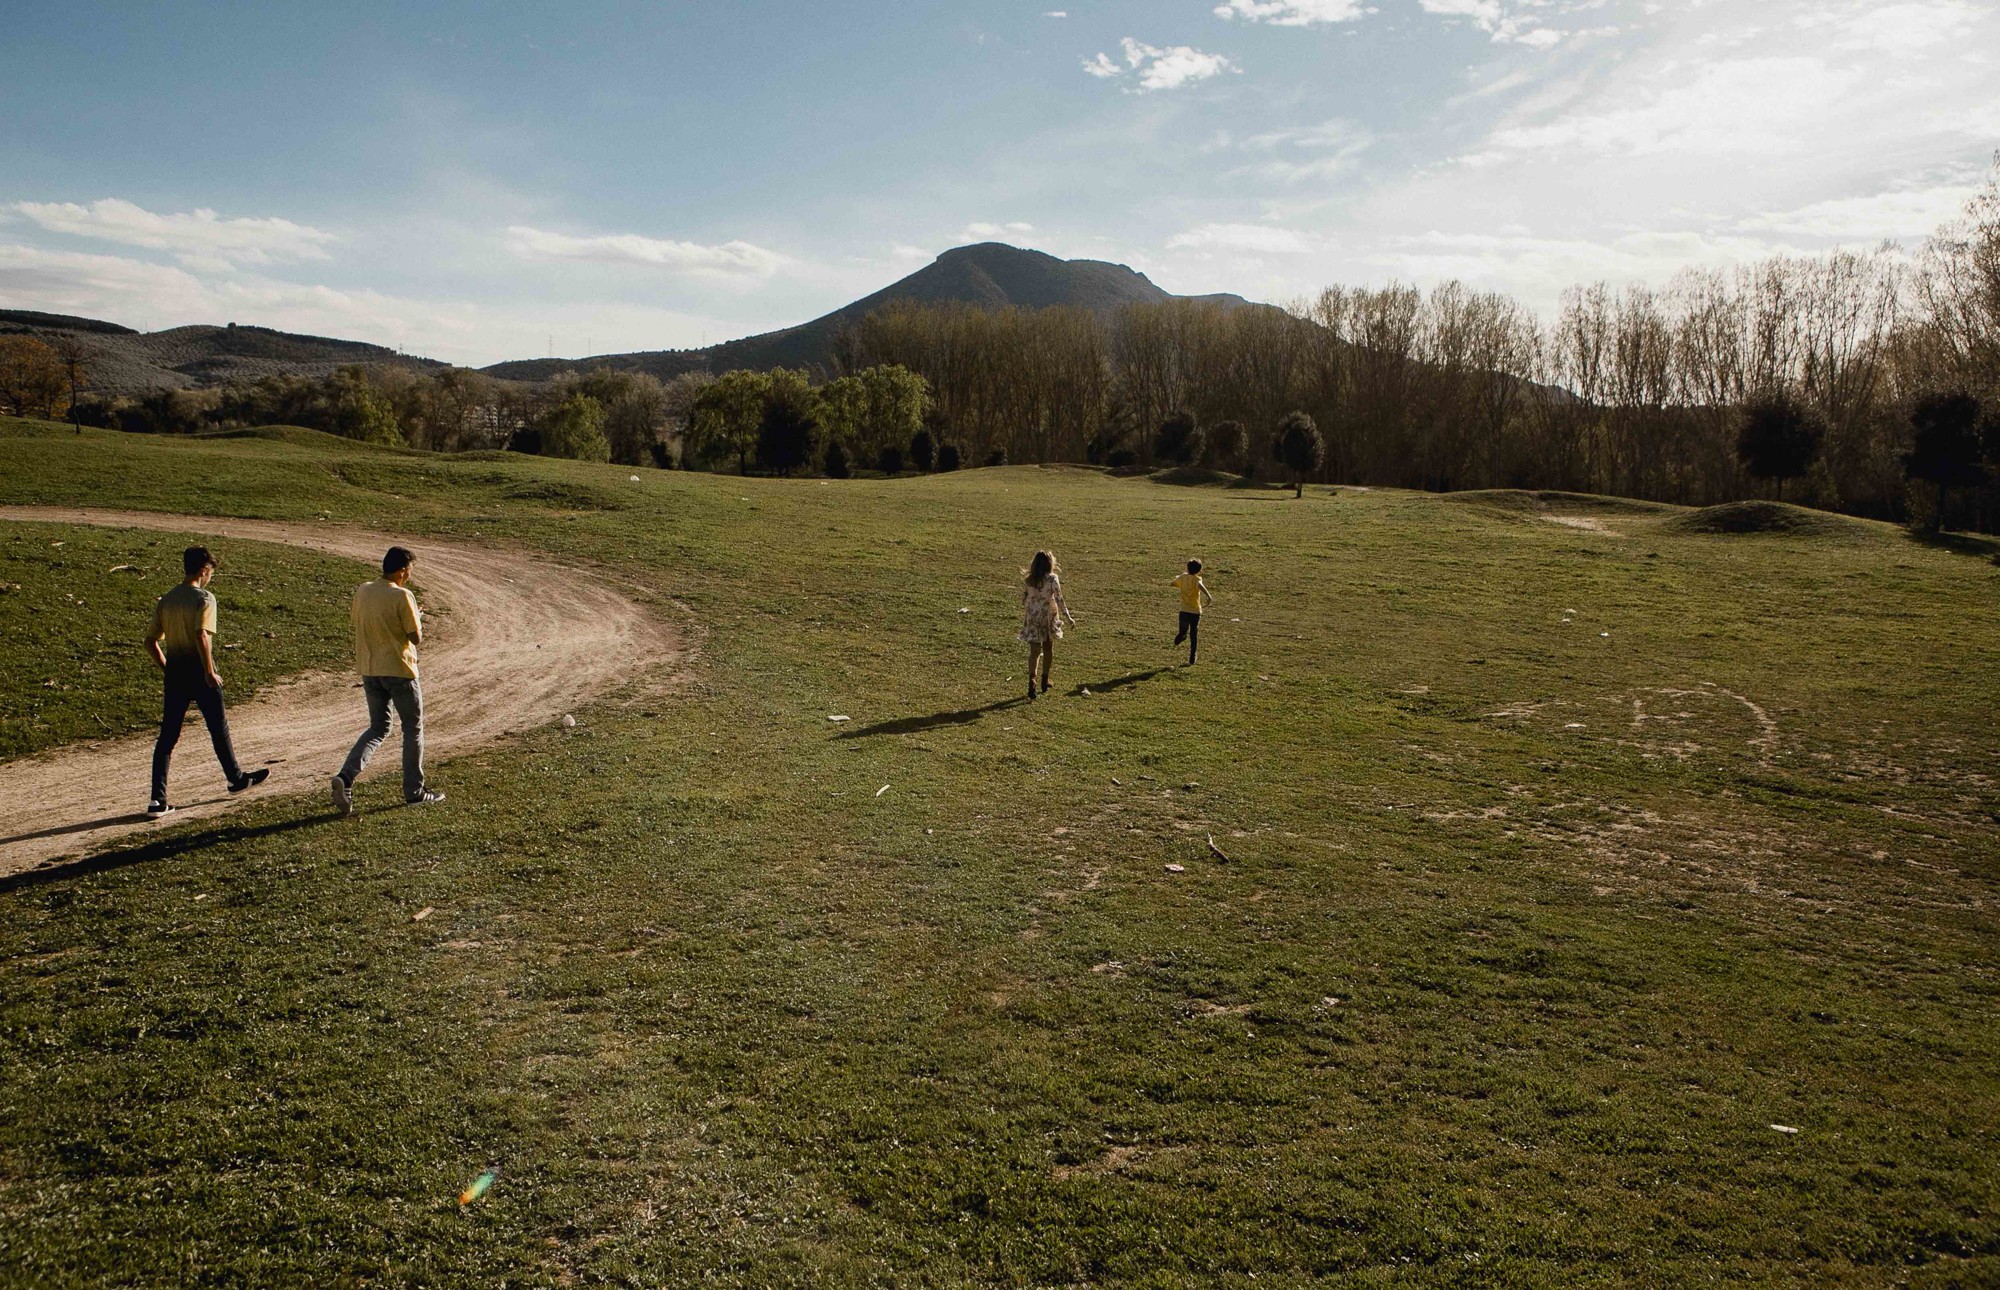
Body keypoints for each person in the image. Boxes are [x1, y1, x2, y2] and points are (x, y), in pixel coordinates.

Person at [144, 545, 268, 816]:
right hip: (200, 672)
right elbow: (202, 635)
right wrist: (209, 671)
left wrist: (166, 668)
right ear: (203, 571)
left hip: (175, 672)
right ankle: (235, 779)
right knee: (217, 727)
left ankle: (157, 799)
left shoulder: (167, 600)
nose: (210, 577)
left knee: (168, 737)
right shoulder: (205, 598)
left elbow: (150, 641)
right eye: (210, 572)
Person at [331, 546, 443, 814]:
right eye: (410, 571)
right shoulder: (402, 595)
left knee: (379, 727)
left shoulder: (364, 590)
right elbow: (415, 637)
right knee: (412, 728)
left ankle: (346, 777)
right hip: (399, 669)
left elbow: (358, 620)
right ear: (403, 570)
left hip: (370, 668)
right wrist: (417, 617)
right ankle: (414, 791)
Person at [1017, 550, 1076, 700]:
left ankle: (1032, 680)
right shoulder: (1052, 579)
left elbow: (1024, 599)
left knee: (1034, 650)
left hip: (1032, 617)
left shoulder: (1030, 580)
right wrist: (1068, 617)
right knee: (1048, 647)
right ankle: (1045, 679)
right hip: (1047, 617)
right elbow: (1059, 599)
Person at [1172, 558, 1215, 665]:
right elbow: (1201, 586)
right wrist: (1209, 597)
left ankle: (1182, 635)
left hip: (1184, 610)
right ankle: (1192, 656)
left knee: (1183, 629)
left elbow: (1172, 583)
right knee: (1194, 634)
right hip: (1195, 611)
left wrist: (1180, 580)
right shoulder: (1197, 579)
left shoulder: (1182, 578)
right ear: (1199, 570)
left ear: (1187, 567)